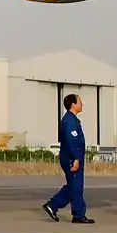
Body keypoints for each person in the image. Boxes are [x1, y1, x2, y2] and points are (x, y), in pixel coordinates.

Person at [42, 93, 94, 224]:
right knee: (75, 187)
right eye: (80, 102)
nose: (82, 104)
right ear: (73, 104)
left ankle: (73, 212)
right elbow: (71, 141)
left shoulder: (72, 120)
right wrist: (76, 158)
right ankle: (58, 207)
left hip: (72, 157)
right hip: (71, 158)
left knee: (74, 186)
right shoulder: (69, 121)